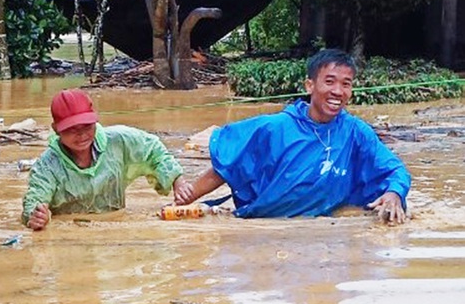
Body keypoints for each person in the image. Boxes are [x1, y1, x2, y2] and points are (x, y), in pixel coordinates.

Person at [176, 48, 411, 223]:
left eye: (346, 84)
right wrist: (186, 198)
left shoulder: (357, 132)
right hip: (263, 228)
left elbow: (395, 170)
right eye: (329, 82)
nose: (337, 91)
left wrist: (394, 194)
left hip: (321, 232)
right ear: (309, 85)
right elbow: (229, 165)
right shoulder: (274, 127)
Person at [22, 89, 193, 230]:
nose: (81, 135)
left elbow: (154, 150)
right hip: (71, 232)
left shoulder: (120, 140)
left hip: (116, 227)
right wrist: (36, 217)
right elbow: (34, 200)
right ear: (56, 130)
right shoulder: (47, 165)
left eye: (87, 126)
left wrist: (178, 181)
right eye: (71, 129)